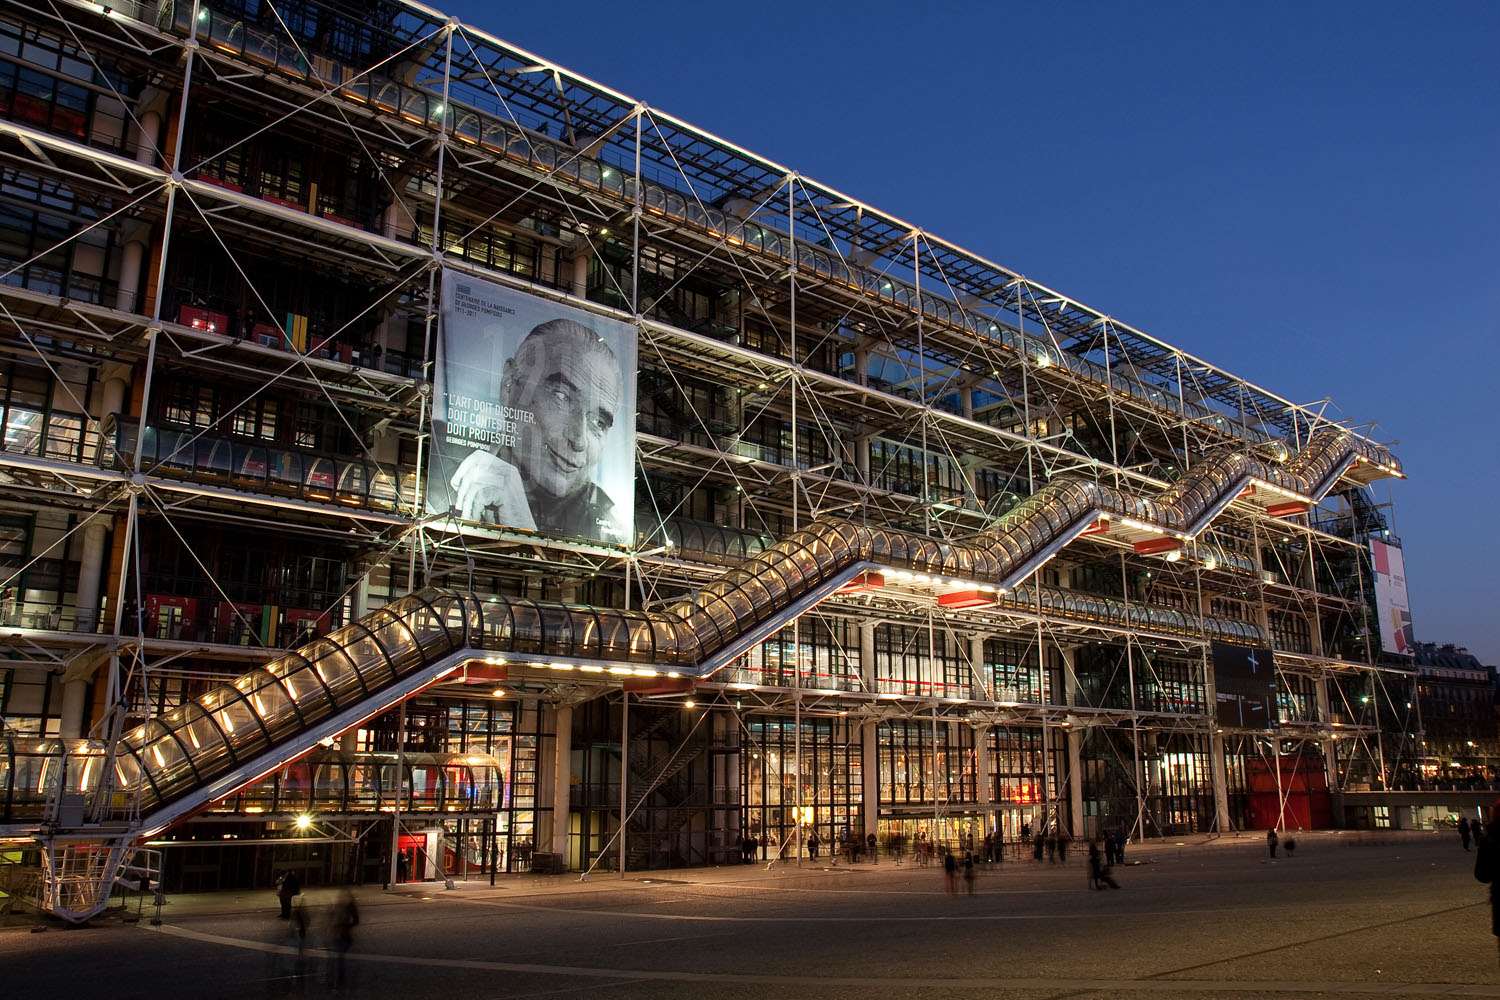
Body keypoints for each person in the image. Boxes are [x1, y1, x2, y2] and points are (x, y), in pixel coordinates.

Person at [448, 318, 629, 544]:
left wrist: (524, 531)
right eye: (562, 397)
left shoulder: (610, 530)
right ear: (510, 385)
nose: (579, 440)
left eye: (599, 423)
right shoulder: (442, 469)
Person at [326, 888, 359, 990]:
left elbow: (355, 921)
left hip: (343, 936)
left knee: (339, 958)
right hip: (337, 934)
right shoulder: (339, 905)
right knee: (336, 958)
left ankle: (339, 981)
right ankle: (336, 981)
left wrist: (345, 926)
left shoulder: (349, 907)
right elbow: (331, 917)